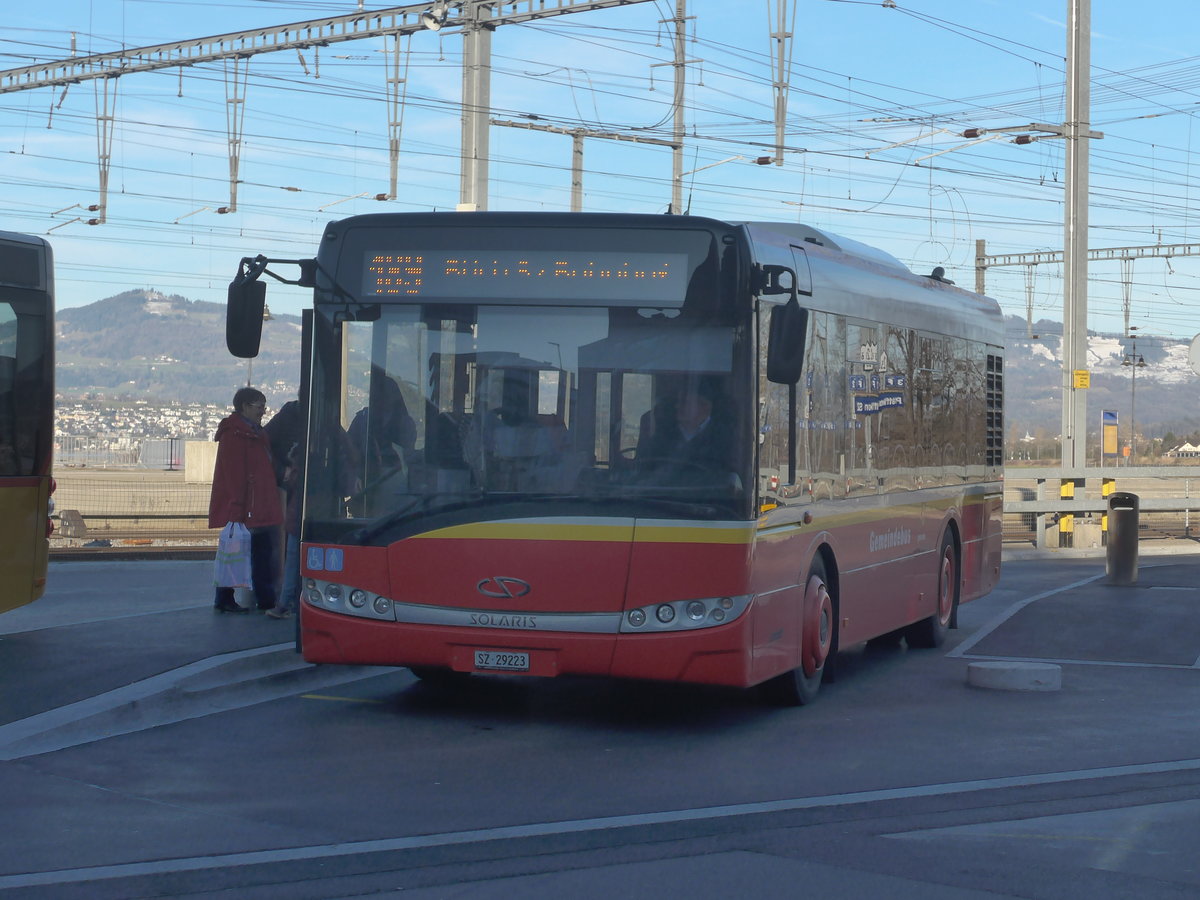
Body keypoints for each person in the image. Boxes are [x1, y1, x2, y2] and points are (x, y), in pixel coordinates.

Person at [208, 386, 283, 614]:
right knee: (254, 554)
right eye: (259, 406)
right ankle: (258, 599)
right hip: (249, 507)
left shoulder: (253, 433)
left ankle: (249, 598)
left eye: (264, 405)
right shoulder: (237, 434)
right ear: (245, 407)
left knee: (247, 553)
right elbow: (233, 475)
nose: (263, 410)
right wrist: (238, 508)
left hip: (257, 505)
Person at [263, 399, 305, 620]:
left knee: (291, 553)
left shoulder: (289, 414)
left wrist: (282, 472)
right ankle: (291, 600)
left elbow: (264, 439)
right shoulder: (323, 419)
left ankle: (285, 601)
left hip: (295, 506)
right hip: (308, 504)